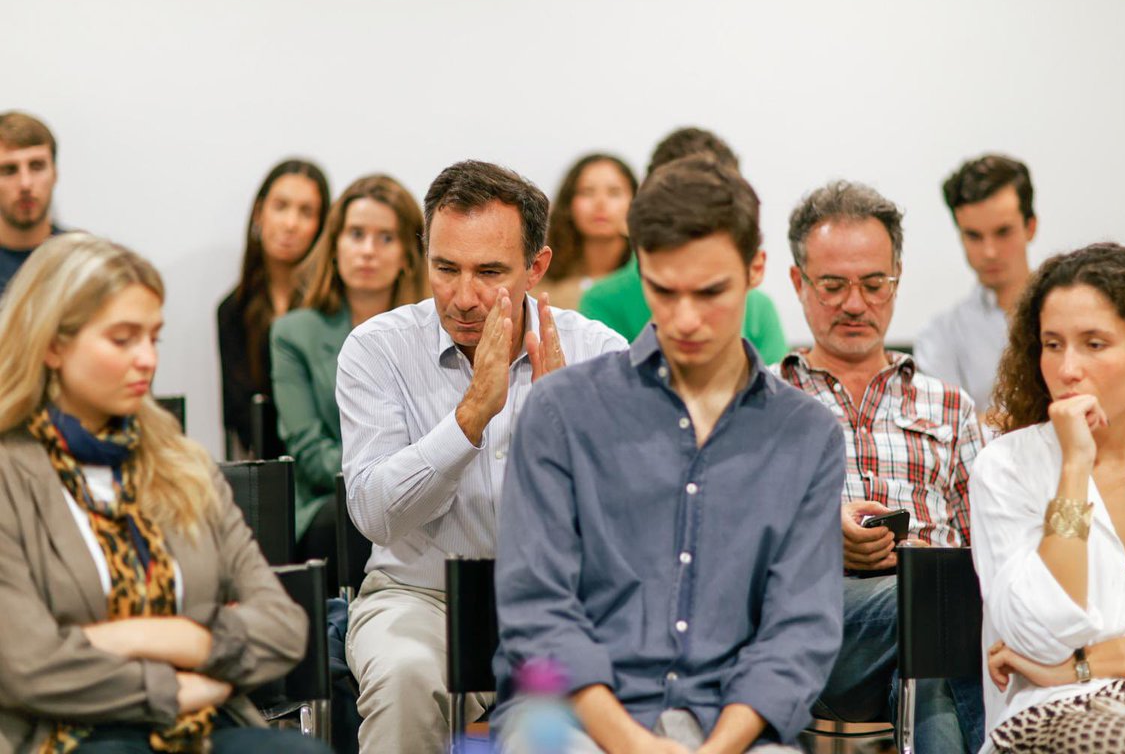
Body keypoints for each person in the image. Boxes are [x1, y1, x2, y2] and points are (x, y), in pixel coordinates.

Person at [493, 154, 845, 753]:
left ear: (755, 268)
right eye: (663, 289)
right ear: (640, 269)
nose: (684, 318)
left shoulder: (806, 435)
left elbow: (797, 632)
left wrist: (715, 750)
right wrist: (635, 746)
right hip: (568, 720)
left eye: (710, 292)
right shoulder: (562, 412)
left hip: (726, 726)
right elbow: (539, 610)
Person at [336, 160, 626, 754]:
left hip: (560, 602)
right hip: (418, 595)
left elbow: (628, 526)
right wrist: (471, 415)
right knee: (404, 681)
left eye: (489, 272)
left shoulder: (598, 351)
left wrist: (560, 433)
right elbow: (373, 515)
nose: (463, 297)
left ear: (536, 266)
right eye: (446, 268)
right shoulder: (377, 349)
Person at [0, 233, 328, 754]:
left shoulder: (180, 462)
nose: (147, 360)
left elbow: (283, 626)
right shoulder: (9, 474)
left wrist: (180, 639)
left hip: (204, 722)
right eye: (123, 339)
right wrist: (170, 688)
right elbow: (25, 666)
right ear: (54, 345)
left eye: (154, 338)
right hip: (67, 734)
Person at [778, 180, 985, 752]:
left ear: (897, 281)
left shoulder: (950, 406)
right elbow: (729, 546)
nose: (854, 304)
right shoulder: (761, 400)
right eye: (833, 286)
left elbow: (986, 545)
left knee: (938, 636)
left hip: (929, 634)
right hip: (807, 624)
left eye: (874, 284)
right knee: (933, 611)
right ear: (798, 283)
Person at [971, 243, 1125, 753]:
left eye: (1094, 344)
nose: (1068, 368)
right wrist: (1074, 468)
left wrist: (1084, 663)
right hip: (1059, 720)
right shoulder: (1006, 467)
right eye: (1052, 344)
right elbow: (1039, 634)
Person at [271, 174, 428, 594]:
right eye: (356, 234)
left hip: (426, 494)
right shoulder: (293, 333)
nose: (367, 251)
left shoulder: (433, 330)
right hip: (330, 500)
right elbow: (309, 452)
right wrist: (385, 476)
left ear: (409, 256)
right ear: (335, 244)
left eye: (386, 238)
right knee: (357, 511)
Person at [578, 127, 788, 363]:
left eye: (712, 291)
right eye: (663, 291)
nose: (687, 322)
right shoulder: (603, 301)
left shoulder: (759, 308)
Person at [217, 159, 330, 459]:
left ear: (322, 226)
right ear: (259, 214)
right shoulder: (233, 310)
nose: (290, 223)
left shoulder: (332, 305)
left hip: (329, 460)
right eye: (281, 206)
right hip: (269, 468)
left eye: (306, 212)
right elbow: (239, 415)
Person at [916, 154, 1038, 416]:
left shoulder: (1074, 315)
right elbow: (949, 432)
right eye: (974, 236)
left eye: (1003, 232)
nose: (990, 251)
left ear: (1031, 227)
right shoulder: (939, 337)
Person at [540, 153, 638, 310]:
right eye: (587, 192)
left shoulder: (647, 280)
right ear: (569, 203)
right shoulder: (539, 279)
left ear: (635, 202)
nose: (600, 203)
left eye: (614, 192)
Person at [0, 111, 63, 296]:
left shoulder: (84, 264)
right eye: (9, 170)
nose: (25, 183)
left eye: (37, 166)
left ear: (54, 174)